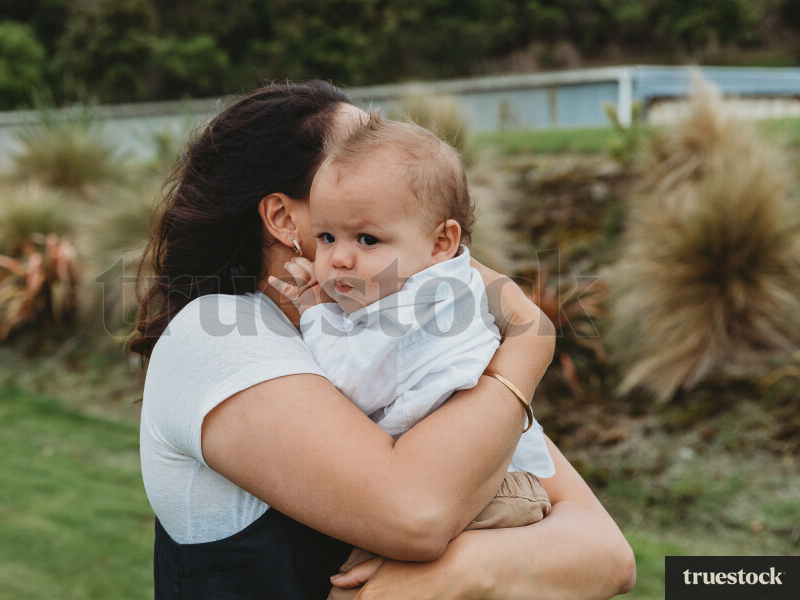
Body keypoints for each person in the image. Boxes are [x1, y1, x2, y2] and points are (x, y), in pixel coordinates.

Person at [132, 80, 635, 600]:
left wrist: (465, 568)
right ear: (284, 218)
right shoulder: (217, 334)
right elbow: (416, 514)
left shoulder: (407, 334)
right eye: (358, 151)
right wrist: (528, 343)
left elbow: (608, 554)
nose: (386, 157)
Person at [269, 116, 557, 600]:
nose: (338, 259)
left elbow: (351, 381)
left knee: (357, 587)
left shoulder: (416, 309)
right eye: (326, 238)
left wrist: (313, 311)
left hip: (490, 489)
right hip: (483, 478)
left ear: (441, 242)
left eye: (366, 240)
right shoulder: (436, 279)